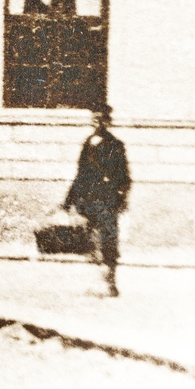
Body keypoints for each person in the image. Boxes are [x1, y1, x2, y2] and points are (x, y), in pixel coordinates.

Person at [63, 102, 131, 297]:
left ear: (108, 121)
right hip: (88, 200)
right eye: (94, 119)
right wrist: (68, 201)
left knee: (109, 241)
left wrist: (120, 198)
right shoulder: (88, 144)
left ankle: (110, 283)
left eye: (101, 119)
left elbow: (124, 176)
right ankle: (98, 282)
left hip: (108, 201)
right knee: (90, 242)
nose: (97, 122)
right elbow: (80, 174)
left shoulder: (116, 145)